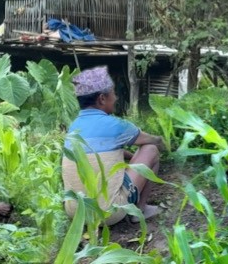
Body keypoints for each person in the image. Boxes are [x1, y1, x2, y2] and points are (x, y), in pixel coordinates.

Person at [61, 66, 164, 225]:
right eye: (113, 93)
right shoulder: (115, 125)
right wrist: (167, 144)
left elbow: (101, 153)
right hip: (109, 213)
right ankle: (140, 210)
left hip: (76, 214)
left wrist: (131, 158)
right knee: (151, 150)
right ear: (102, 99)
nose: (115, 98)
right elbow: (152, 141)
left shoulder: (74, 127)